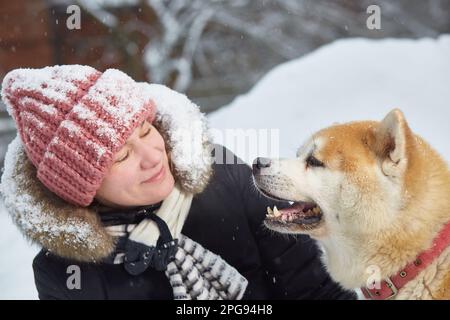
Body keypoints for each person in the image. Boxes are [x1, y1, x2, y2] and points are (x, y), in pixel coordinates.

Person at [0, 65, 356, 300]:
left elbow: (319, 293)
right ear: (80, 189)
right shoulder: (64, 274)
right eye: (122, 156)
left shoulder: (231, 181)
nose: (154, 156)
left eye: (146, 130)